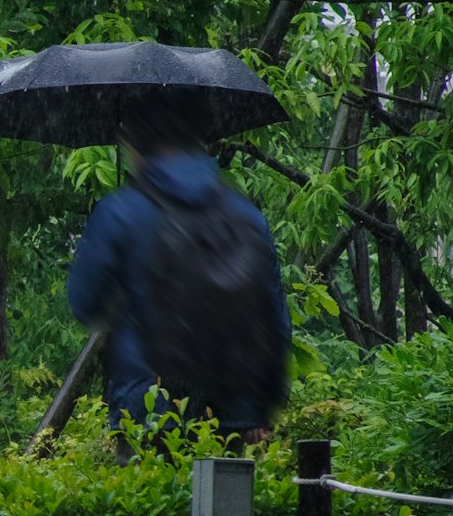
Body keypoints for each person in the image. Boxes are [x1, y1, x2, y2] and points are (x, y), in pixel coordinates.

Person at [64, 114, 291, 440]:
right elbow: (273, 318)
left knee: (153, 493)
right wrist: (255, 408)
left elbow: (84, 303)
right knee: (222, 492)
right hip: (230, 411)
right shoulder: (246, 216)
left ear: (137, 148)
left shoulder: (121, 211)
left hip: (147, 410)